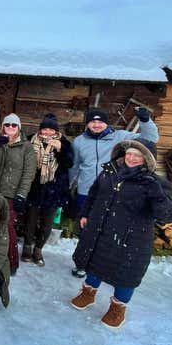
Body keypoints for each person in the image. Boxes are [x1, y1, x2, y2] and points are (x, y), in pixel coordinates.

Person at [71, 138, 172, 329]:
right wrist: (85, 213)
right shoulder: (109, 172)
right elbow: (94, 194)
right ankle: (88, 293)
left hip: (131, 239)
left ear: (146, 159)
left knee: (126, 273)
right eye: (129, 153)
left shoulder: (155, 183)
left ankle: (118, 308)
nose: (132, 158)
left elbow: (167, 216)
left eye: (138, 155)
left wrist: (157, 194)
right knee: (94, 261)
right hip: (100, 230)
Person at [68, 107, 159, 278]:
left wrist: (145, 120)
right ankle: (82, 263)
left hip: (112, 193)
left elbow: (152, 139)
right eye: (92, 121)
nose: (96, 124)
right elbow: (74, 165)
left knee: (106, 230)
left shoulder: (121, 137)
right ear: (87, 123)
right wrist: (67, 185)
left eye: (100, 121)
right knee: (85, 230)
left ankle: (100, 265)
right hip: (86, 192)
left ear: (106, 123)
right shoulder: (79, 141)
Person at [0, 113, 36, 275]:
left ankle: (11, 262)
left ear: (19, 128)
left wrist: (21, 194)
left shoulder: (26, 147)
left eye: (14, 125)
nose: (10, 128)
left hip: (11, 194)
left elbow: (29, 173)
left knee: (6, 227)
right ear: (3, 127)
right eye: (7, 125)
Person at [23, 114, 73, 267]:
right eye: (44, 129)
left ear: (55, 131)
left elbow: (69, 164)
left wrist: (60, 150)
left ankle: (38, 250)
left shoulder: (64, 143)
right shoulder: (31, 140)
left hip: (54, 188)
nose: (47, 132)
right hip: (34, 187)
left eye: (51, 129)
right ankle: (27, 247)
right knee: (30, 221)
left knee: (47, 223)